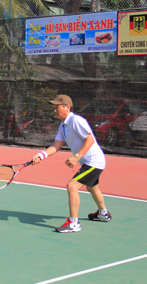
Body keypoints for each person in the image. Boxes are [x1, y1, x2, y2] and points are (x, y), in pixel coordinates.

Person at [31, 95, 111, 233]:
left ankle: (73, 223)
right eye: (54, 108)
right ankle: (103, 214)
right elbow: (56, 145)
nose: (54, 111)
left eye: (57, 107)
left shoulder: (76, 120)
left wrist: (76, 157)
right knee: (92, 187)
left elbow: (90, 139)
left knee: (72, 186)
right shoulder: (63, 125)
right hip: (89, 162)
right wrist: (41, 155)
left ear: (67, 107)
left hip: (94, 161)